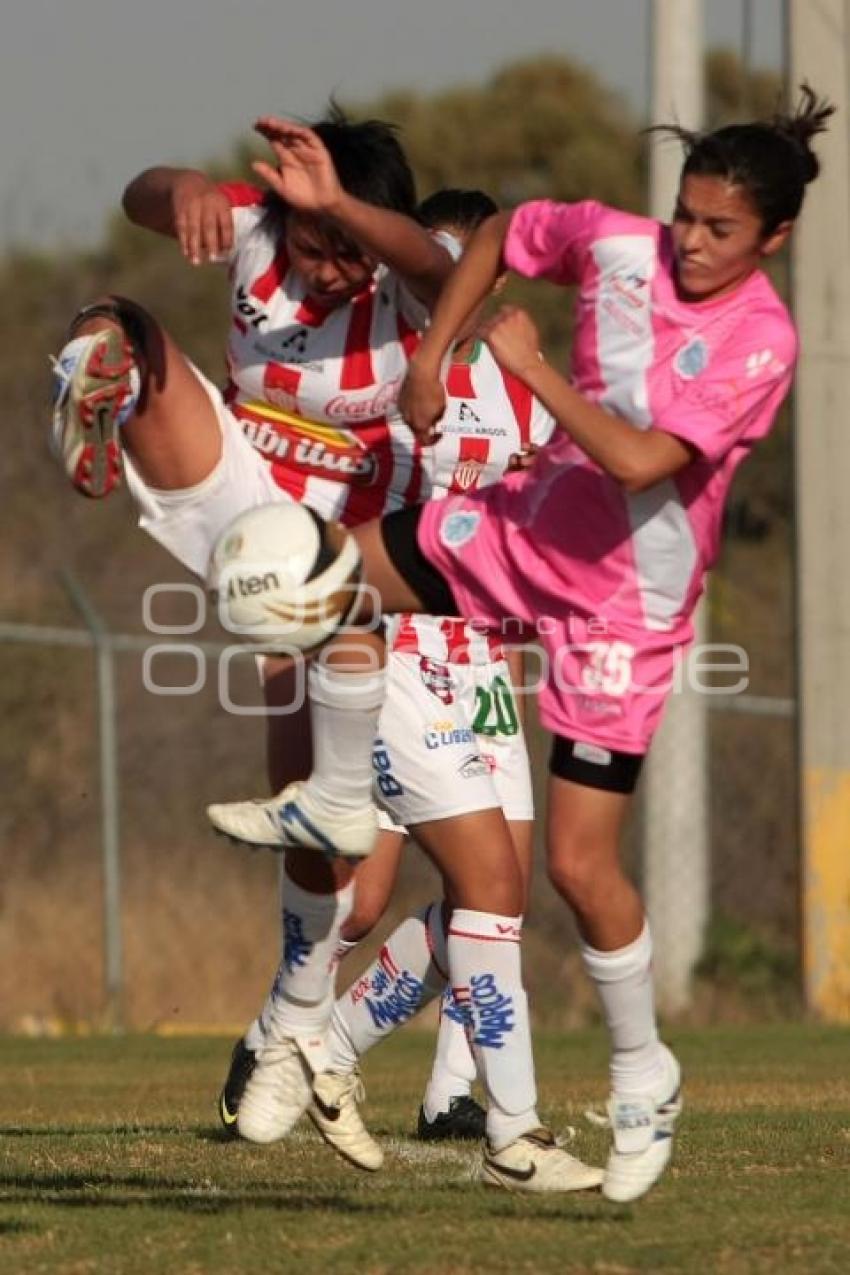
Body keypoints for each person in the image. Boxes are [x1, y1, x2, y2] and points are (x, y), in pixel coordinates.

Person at [209, 86, 833, 1202]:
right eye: (683, 215)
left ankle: (627, 1072)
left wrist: (527, 365)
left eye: (719, 229)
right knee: (321, 593)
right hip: (493, 558)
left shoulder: (761, 342)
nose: (688, 241)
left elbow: (643, 464)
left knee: (561, 876)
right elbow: (494, 236)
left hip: (611, 614)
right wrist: (432, 354)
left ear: (773, 238)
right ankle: (334, 901)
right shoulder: (592, 250)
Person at [52, 136, 603, 1192]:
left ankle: (300, 1027)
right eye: (307, 242)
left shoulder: (411, 301)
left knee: (357, 846)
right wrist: (191, 199)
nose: (322, 270)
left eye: (341, 247)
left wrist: (349, 216)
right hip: (257, 520)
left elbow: (459, 265)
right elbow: (147, 189)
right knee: (125, 320)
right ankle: (93, 379)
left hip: (377, 596)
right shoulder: (263, 240)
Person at [210, 188, 558, 1149]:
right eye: (442, 266)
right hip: (396, 643)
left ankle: (434, 1087)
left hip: (481, 658)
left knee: (496, 896)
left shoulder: (518, 373)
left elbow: (541, 499)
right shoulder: (397, 353)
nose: (462, 285)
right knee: (360, 896)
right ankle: (284, 1031)